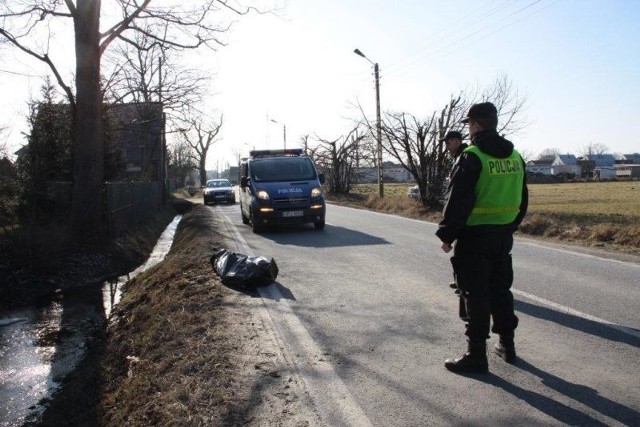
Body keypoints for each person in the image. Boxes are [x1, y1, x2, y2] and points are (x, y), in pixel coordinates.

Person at [436, 102, 528, 374]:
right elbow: (523, 199)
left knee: (474, 294)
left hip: (474, 237)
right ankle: (507, 345)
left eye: (469, 124)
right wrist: (510, 225)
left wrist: (447, 235)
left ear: (475, 125)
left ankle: (476, 354)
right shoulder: (516, 156)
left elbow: (459, 201)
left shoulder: (472, 156)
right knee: (500, 290)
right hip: (502, 236)